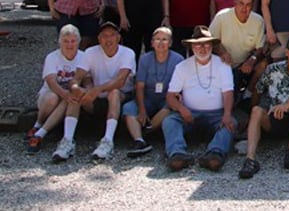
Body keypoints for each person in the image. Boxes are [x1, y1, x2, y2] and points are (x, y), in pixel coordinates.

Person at [53, 21, 136, 162]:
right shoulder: (90, 52)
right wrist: (75, 88)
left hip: (121, 96)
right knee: (76, 94)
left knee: (114, 92)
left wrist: (97, 89)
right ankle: (67, 140)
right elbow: (76, 78)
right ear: (99, 39)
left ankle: (108, 141)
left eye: (112, 35)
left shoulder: (127, 53)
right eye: (104, 35)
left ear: (118, 37)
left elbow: (120, 81)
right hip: (95, 98)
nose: (108, 39)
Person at [162, 26, 236, 172]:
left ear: (212, 46)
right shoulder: (182, 66)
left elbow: (228, 93)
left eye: (206, 44)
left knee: (231, 123)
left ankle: (215, 153)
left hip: (217, 114)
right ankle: (177, 154)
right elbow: (170, 96)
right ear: (192, 47)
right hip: (190, 114)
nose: (202, 48)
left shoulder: (223, 65)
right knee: (169, 121)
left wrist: (227, 114)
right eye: (198, 44)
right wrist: (182, 109)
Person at [242, 36, 289, 175]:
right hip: (273, 117)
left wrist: (287, 105)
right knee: (256, 110)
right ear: (286, 51)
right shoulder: (272, 69)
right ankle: (250, 159)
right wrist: (251, 118)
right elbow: (258, 90)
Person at [121, 27, 183, 158]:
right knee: (129, 108)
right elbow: (139, 86)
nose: (161, 43)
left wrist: (168, 105)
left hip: (167, 98)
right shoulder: (145, 59)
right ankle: (139, 141)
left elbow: (179, 89)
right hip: (148, 98)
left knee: (170, 108)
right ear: (152, 43)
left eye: (165, 40)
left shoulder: (178, 60)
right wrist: (142, 110)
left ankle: (147, 132)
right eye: (157, 39)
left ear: (170, 43)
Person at [26, 25, 85, 154]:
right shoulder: (52, 57)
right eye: (66, 41)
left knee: (72, 97)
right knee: (53, 98)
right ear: (59, 42)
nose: (69, 44)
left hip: (69, 95)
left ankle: (40, 134)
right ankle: (38, 124)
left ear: (78, 42)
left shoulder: (84, 57)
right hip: (51, 93)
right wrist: (65, 94)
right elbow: (51, 81)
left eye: (73, 41)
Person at [208, 0, 267, 102]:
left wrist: (252, 59)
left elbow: (260, 47)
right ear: (235, 2)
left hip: (244, 64)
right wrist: (222, 52)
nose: (244, 8)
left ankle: (248, 95)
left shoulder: (258, 20)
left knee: (263, 65)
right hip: (223, 63)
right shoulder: (222, 16)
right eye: (241, 3)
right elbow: (210, 40)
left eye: (248, 4)